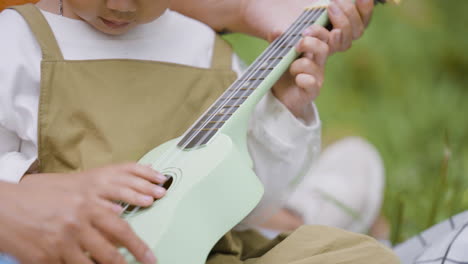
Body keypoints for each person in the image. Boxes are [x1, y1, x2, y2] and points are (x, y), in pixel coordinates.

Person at [0, 0, 397, 263]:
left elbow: (249, 203)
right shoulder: (19, 41)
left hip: (216, 255)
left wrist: (286, 107)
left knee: (355, 256)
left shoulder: (204, 50)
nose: (120, 4)